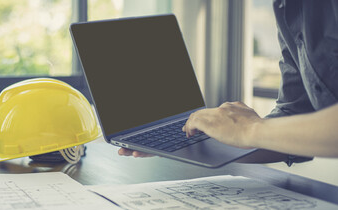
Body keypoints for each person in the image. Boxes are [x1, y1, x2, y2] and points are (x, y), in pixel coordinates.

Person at [119, 0, 338, 165]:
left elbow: (259, 131)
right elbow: (296, 117)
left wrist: (250, 129)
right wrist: (192, 144)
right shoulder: (286, 7)